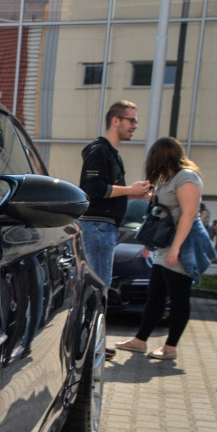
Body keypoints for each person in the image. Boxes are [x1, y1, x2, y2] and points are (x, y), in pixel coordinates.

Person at [115, 137, 213, 361]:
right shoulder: (168, 179)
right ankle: (140, 340)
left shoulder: (187, 178)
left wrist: (175, 249)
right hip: (165, 246)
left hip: (182, 246)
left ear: (161, 157)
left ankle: (170, 347)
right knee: (156, 295)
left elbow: (189, 215)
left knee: (178, 297)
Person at [78, 101, 152, 356]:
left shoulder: (111, 152)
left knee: (100, 287)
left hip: (103, 227)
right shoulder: (100, 151)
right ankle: (89, 345)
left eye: (135, 120)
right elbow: (93, 189)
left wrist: (133, 195)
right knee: (98, 287)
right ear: (116, 121)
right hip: (97, 227)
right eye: (131, 120)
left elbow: (104, 193)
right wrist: (131, 190)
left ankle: (93, 341)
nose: (135, 125)